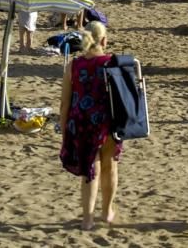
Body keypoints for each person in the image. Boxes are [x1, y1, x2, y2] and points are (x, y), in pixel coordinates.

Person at [60, 22, 121, 231]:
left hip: (81, 121)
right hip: (108, 122)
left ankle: (87, 219)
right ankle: (107, 211)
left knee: (90, 170)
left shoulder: (73, 66)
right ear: (104, 40)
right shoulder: (112, 63)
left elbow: (65, 102)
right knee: (110, 166)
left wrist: (64, 130)